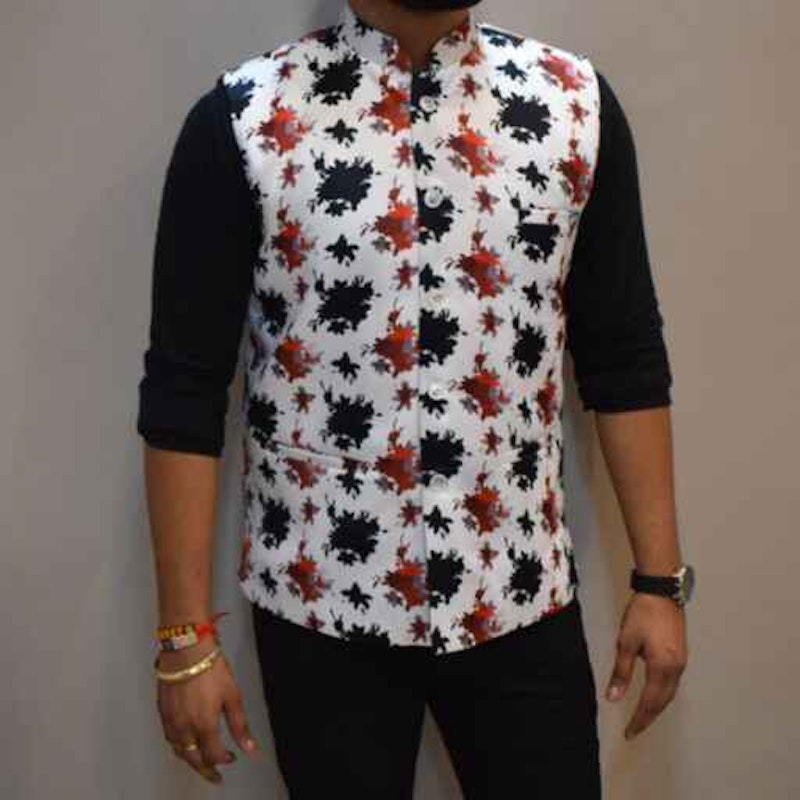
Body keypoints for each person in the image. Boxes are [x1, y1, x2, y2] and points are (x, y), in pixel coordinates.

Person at [137, 1, 692, 796]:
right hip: (321, 609)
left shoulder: (573, 107)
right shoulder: (245, 119)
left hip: (520, 594)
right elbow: (184, 389)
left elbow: (624, 358)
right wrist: (184, 639)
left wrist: (659, 584)